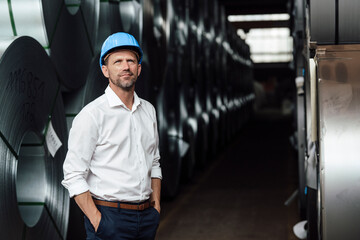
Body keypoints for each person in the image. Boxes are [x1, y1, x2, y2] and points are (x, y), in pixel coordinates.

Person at [62, 32, 162, 240]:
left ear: (139, 68)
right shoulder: (92, 115)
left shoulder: (149, 111)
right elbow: (73, 174)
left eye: (131, 61)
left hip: (146, 217)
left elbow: (154, 162)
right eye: (118, 61)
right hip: (109, 218)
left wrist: (156, 207)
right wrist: (98, 220)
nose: (125, 66)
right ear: (105, 70)